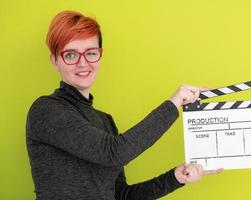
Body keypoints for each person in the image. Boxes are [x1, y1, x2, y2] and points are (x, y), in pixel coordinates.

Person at [26, 10, 223, 200]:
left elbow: (121, 195)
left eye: (91, 53)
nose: (83, 63)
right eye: (70, 55)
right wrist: (174, 102)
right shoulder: (46, 110)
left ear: (100, 55)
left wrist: (175, 178)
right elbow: (114, 153)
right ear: (54, 60)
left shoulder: (105, 121)